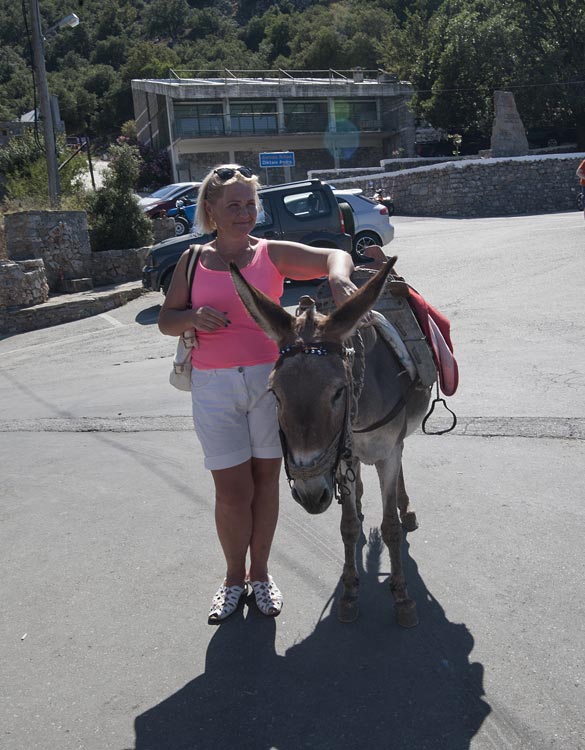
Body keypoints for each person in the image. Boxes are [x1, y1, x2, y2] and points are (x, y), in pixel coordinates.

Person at [158, 165, 359, 623]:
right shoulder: (192, 260)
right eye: (233, 205)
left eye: (250, 204)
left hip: (273, 386)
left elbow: (333, 256)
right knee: (231, 491)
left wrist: (338, 278)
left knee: (267, 483)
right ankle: (233, 580)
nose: (245, 213)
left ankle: (261, 574)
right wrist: (192, 317)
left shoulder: (270, 252)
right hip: (214, 387)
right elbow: (166, 319)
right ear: (209, 210)